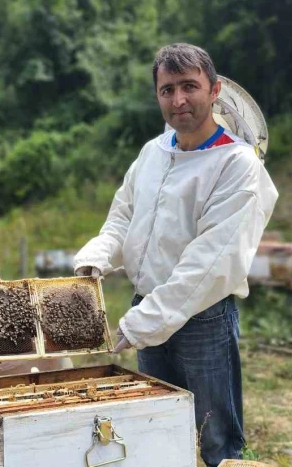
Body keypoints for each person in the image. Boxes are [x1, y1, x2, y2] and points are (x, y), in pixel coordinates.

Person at [73, 43, 278, 467]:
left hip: (203, 319)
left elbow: (210, 264)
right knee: (157, 432)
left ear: (215, 90)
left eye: (189, 87)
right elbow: (123, 217)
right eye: (167, 90)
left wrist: (142, 322)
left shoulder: (237, 164)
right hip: (149, 306)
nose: (178, 99)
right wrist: (97, 256)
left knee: (217, 443)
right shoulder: (154, 151)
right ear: (157, 96)